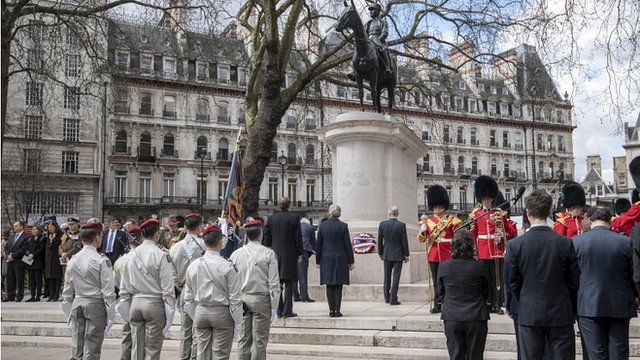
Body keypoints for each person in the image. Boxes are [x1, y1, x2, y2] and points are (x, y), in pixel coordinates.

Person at [507, 189, 580, 359]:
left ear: (528, 212)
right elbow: (574, 281)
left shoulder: (515, 245)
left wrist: (526, 298)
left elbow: (512, 282)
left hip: (529, 311)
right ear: (549, 210)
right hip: (560, 311)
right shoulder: (565, 243)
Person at [572, 206, 639, 358]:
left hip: (588, 304)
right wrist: (635, 296)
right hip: (619, 303)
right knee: (619, 352)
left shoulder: (577, 242)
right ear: (610, 220)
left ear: (590, 221)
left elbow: (573, 277)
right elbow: (632, 274)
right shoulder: (625, 242)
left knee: (595, 353)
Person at [118, 218, 175, 360]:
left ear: (142, 235)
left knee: (137, 348)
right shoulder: (161, 255)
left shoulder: (130, 256)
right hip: (154, 302)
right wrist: (170, 312)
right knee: (152, 349)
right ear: (157, 235)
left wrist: (125, 305)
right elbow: (167, 288)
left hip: (135, 302)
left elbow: (124, 286)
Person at [183, 223, 242, 360]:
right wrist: (238, 321)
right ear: (221, 243)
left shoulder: (194, 265)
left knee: (202, 354)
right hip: (221, 312)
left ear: (204, 242)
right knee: (220, 355)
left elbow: (188, 298)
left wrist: (195, 315)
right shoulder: (227, 266)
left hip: (201, 310)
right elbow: (235, 298)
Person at [61, 221, 115, 360]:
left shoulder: (73, 259)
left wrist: (68, 308)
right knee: (92, 347)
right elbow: (108, 291)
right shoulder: (101, 260)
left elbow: (67, 288)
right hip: (95, 303)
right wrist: (111, 315)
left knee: (76, 346)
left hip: (77, 301)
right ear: (97, 238)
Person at [230, 219, 281, 360]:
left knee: (243, 339)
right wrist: (274, 307)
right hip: (261, 298)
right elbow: (274, 284)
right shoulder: (269, 254)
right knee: (260, 340)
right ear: (261, 234)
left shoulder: (236, 254)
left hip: (242, 298)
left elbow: (232, 281)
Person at [437, 230, 490, 360]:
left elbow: (440, 292)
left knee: (456, 356)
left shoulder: (444, 266)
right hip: (476, 315)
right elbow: (487, 291)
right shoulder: (480, 266)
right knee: (475, 356)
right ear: (471, 246)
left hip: (452, 315)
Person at [469, 176, 517, 314]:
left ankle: (497, 303)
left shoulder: (499, 213)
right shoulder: (475, 215)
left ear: (492, 198)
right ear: (481, 199)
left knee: (498, 279)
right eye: (484, 198)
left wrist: (503, 236)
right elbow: (473, 235)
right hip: (483, 250)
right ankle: (487, 302)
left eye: (489, 198)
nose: (487, 200)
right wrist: (474, 251)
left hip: (497, 250)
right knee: (485, 278)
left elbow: (511, 231)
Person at [418, 185, 462, 313]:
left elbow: (457, 237)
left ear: (444, 206)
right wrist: (422, 231)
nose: (438, 210)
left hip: (448, 254)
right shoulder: (427, 221)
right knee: (436, 281)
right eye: (436, 207)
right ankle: (437, 303)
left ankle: (448, 302)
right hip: (433, 254)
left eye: (440, 207)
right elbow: (421, 239)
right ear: (433, 207)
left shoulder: (452, 220)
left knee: (448, 280)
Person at [169, 213, 206, 360]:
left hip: (185, 289)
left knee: (185, 330)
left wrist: (179, 287)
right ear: (199, 228)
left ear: (184, 227)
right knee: (199, 329)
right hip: (202, 290)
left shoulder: (175, 247)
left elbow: (172, 274)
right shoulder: (205, 244)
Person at [264, 197, 303, 318]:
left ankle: (279, 309)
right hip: (290, 254)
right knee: (289, 283)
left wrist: (269, 247)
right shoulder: (294, 218)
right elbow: (298, 237)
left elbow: (267, 235)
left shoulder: (271, 218)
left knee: (277, 282)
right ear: (289, 205)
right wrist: (300, 252)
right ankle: (287, 310)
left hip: (275, 253)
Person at [316, 205, 354, 317]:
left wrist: (318, 260)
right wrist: (350, 261)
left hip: (326, 257)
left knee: (329, 284)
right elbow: (347, 245)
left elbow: (319, 245)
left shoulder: (322, 226)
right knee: (338, 285)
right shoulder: (343, 226)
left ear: (329, 213)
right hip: (340, 257)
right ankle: (337, 309)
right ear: (340, 214)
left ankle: (331, 310)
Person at [113, 226, 142, 360]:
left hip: (125, 298)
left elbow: (116, 283)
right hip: (140, 299)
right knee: (141, 338)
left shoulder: (120, 261)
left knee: (127, 335)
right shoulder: (144, 258)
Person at [378, 206, 409, 305]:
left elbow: (379, 240)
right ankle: (393, 299)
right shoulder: (401, 225)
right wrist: (406, 254)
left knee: (386, 277)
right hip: (398, 254)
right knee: (396, 277)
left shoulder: (382, 224)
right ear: (398, 214)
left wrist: (380, 253)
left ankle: (387, 298)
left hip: (386, 253)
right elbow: (404, 241)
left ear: (389, 213)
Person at [3, 221, 29, 302]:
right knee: (10, 279)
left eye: (16, 226)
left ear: (21, 227)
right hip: (10, 261)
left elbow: (23, 249)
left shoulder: (25, 237)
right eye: (14, 226)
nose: (14, 227)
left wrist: (13, 255)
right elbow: (7, 247)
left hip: (19, 261)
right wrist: (8, 255)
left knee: (19, 279)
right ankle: (11, 296)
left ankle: (19, 296)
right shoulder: (12, 236)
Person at [295, 217, 316, 302]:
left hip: (293, 251)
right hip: (304, 251)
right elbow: (313, 241)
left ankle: (295, 295)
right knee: (303, 274)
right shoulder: (309, 227)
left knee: (294, 274)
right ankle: (304, 296)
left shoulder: (295, 226)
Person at [45, 221, 66, 302]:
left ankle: (56, 295)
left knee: (57, 278)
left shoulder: (61, 235)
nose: (50, 228)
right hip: (49, 259)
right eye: (49, 227)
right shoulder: (48, 236)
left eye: (51, 227)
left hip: (57, 259)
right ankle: (51, 295)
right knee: (50, 278)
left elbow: (62, 246)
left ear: (55, 227)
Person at [26, 225, 46, 302]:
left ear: (39, 230)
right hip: (29, 261)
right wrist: (28, 253)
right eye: (32, 230)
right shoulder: (30, 239)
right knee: (31, 280)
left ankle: (37, 296)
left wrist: (33, 255)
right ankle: (32, 296)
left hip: (38, 261)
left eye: (35, 229)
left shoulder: (42, 238)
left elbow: (41, 249)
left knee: (38, 280)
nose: (33, 231)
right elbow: (26, 248)